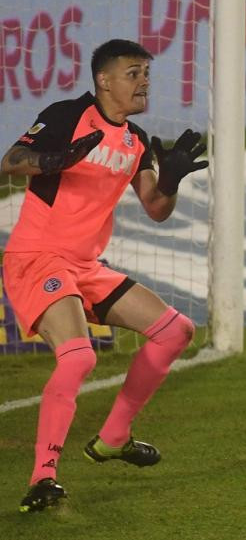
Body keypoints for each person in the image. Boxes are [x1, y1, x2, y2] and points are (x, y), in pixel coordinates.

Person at [1, 39, 207, 513]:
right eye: (134, 73)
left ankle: (114, 437)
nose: (144, 83)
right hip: (37, 259)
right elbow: (10, 162)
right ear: (104, 80)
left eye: (147, 74)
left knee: (176, 330)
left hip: (85, 267)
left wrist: (170, 180)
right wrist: (53, 161)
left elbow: (156, 209)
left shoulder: (134, 140)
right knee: (78, 359)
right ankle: (43, 478)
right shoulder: (66, 116)